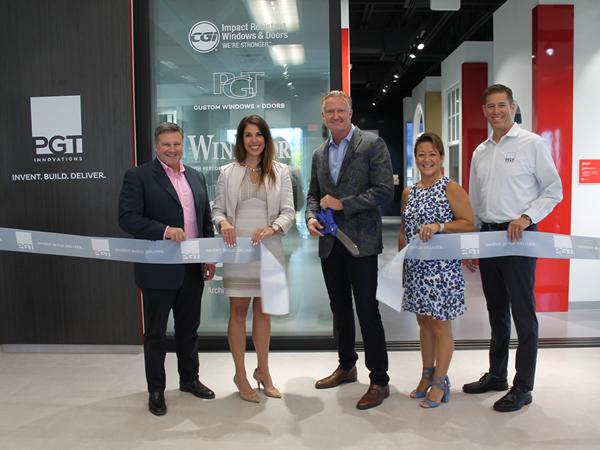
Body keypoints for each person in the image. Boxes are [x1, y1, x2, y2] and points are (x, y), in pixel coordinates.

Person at [464, 84, 563, 412]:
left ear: (513, 106)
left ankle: (524, 386)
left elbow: (553, 190)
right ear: (484, 111)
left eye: (502, 105)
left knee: (523, 313)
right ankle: (497, 375)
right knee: (496, 311)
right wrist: (475, 242)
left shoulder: (531, 144)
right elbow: (477, 201)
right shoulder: (480, 152)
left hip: (519, 237)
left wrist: (526, 216)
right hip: (490, 238)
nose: (496, 111)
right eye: (490, 106)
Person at [118, 122, 216, 416]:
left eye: (177, 143)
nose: (172, 149)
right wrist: (164, 230)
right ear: (155, 146)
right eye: (166, 144)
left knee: (189, 330)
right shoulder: (138, 176)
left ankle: (189, 380)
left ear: (183, 144)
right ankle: (156, 390)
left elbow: (205, 220)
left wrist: (208, 256)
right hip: (158, 268)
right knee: (157, 334)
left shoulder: (196, 177)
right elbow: (127, 218)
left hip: (191, 268)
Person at [306, 90, 394, 410]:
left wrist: (344, 204)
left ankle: (379, 379)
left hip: (362, 244)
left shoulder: (371, 145)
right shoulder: (319, 154)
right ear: (324, 115)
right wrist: (311, 216)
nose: (335, 116)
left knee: (367, 310)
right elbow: (313, 195)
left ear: (350, 111)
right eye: (329, 111)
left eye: (340, 110)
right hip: (330, 245)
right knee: (339, 309)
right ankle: (347, 366)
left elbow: (384, 191)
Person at [212, 115, 294, 403]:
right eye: (248, 135)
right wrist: (223, 224)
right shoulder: (227, 172)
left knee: (264, 312)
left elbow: (288, 212)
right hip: (237, 250)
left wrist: (272, 228)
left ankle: (264, 371)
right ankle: (240, 374)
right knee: (237, 311)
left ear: (266, 138)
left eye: (259, 134)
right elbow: (218, 210)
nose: (254, 140)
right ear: (241, 140)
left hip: (268, 249)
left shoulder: (280, 171)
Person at [398, 132, 474, 408]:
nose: (426, 159)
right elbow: (405, 232)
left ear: (441, 157)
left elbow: (468, 223)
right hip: (417, 269)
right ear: (415, 158)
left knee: (441, 325)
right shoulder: (410, 192)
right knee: (424, 323)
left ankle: (441, 381)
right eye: (421, 154)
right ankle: (426, 375)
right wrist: (402, 264)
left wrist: (440, 226)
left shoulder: (450, 188)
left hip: (443, 270)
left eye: (432, 154)